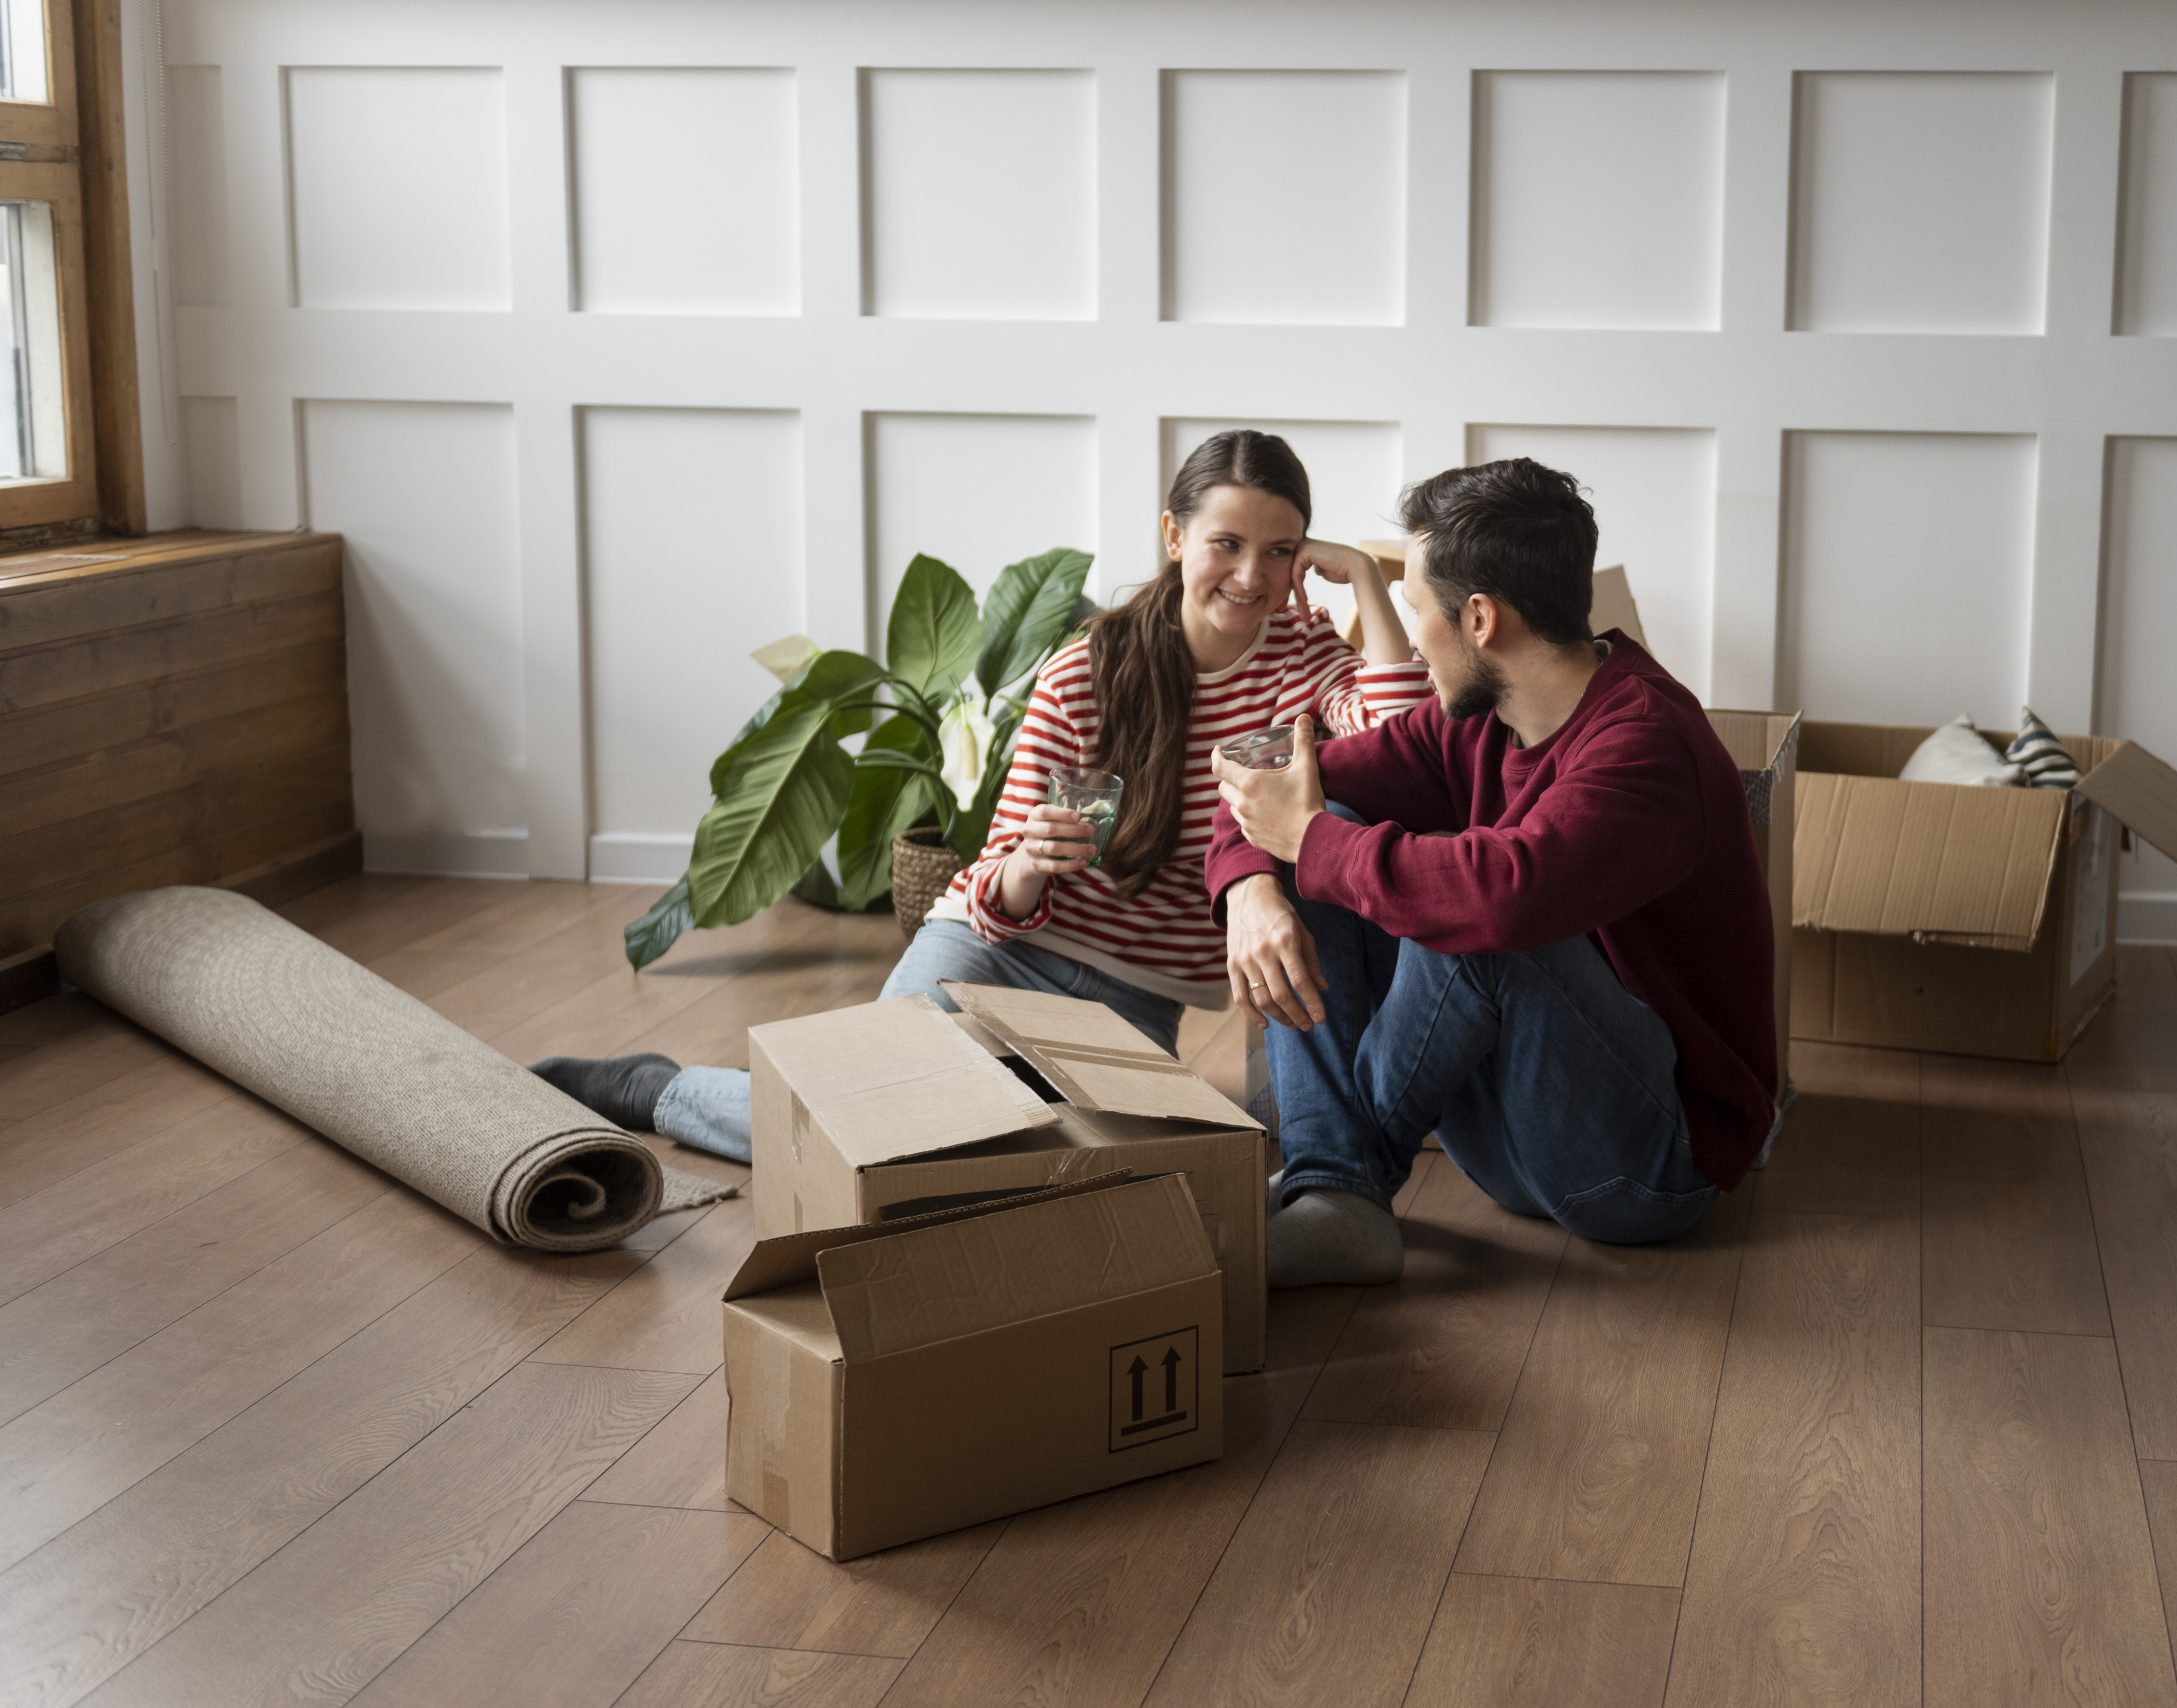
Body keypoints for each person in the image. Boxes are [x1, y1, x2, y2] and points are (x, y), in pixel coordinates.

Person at [535, 429, 1431, 1160]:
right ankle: (661, 1091)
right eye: (1225, 544)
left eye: (1280, 552)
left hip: (1136, 998)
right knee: (881, 1130)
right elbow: (997, 882)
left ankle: (721, 1097)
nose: (1250, 576)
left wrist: (1362, 578)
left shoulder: (1305, 659)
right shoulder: (1090, 666)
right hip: (994, 951)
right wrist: (1030, 869)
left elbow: (1401, 740)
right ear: (1173, 539)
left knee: (1048, 1164)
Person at [1207, 457, 1776, 1287]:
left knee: (1477, 908)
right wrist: (1250, 888)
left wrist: (1310, 841)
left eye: (1414, 612)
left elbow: (1502, 900)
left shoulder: (1649, 746)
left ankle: (1335, 1179)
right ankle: (1335, 1190)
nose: (1406, 641)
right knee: (1320, 843)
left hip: (1647, 1167)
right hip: (1513, 1146)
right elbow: (1276, 790)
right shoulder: (1475, 724)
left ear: (1478, 619)